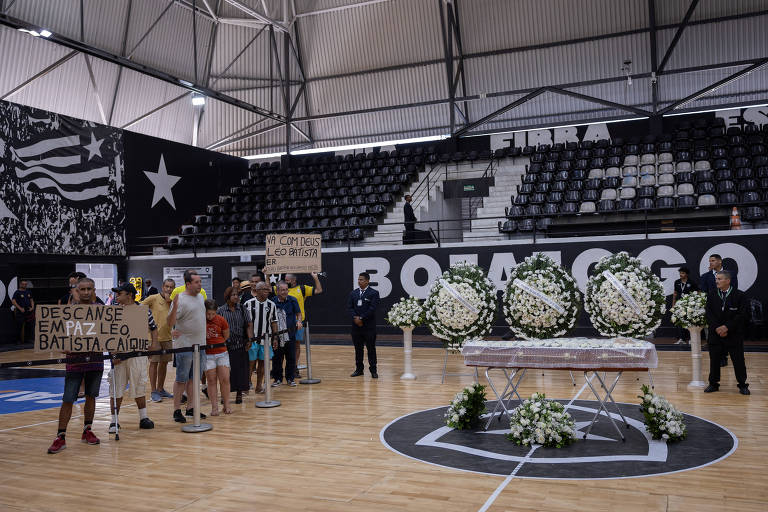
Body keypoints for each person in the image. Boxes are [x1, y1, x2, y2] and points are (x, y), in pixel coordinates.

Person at [47, 278, 103, 454]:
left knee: (91, 396)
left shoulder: (101, 311)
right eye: (83, 289)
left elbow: (110, 335)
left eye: (89, 289)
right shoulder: (67, 312)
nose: (86, 292)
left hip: (95, 360)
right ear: (77, 291)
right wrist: (63, 347)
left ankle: (87, 430)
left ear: (94, 290)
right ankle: (60, 436)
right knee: (68, 398)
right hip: (75, 361)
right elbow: (58, 338)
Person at [108, 283, 157, 432]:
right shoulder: (113, 311)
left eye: (120, 293)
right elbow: (107, 334)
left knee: (139, 385)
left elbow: (154, 328)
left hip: (138, 353)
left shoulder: (143, 311)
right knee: (116, 388)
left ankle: (143, 417)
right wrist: (112, 353)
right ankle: (114, 421)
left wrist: (154, 344)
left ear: (129, 295)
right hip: (119, 355)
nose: (117, 296)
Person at [167, 269, 208, 423]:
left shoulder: (200, 297)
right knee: (181, 379)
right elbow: (169, 322)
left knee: (194, 379)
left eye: (200, 282)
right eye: (197, 282)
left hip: (200, 346)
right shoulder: (180, 299)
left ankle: (191, 408)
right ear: (188, 284)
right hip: (184, 347)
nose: (200, 285)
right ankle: (176, 410)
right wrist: (174, 309)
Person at [704, 270, 750, 395]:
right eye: (716, 279)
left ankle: (742, 385)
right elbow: (708, 314)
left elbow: (742, 315)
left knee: (738, 360)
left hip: (734, 334)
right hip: (716, 333)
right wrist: (718, 328)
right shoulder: (712, 294)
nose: (716, 281)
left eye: (719, 279)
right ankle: (713, 384)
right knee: (714, 360)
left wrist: (727, 327)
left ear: (728, 281)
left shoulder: (740, 295)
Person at [700, 254, 738, 367]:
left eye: (713, 260)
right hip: (713, 309)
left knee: (725, 332)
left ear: (720, 261)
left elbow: (734, 290)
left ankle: (725, 356)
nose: (710, 263)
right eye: (709, 261)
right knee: (714, 332)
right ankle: (717, 357)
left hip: (727, 308)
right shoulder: (705, 276)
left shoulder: (731, 274)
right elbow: (704, 292)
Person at [217, 287, 253, 404]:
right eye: (233, 295)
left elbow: (248, 324)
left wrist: (250, 339)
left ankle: (239, 394)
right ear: (228, 296)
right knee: (226, 372)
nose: (236, 297)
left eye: (237, 295)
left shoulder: (242, 309)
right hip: (225, 347)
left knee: (241, 371)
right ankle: (224, 395)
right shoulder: (221, 311)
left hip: (241, 345)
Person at [142, 278, 175, 402]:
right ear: (162, 287)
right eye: (167, 286)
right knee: (154, 364)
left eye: (171, 287)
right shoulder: (153, 298)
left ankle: (161, 389)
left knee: (164, 364)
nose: (169, 289)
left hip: (167, 337)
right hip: (154, 338)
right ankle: (153, 391)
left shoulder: (173, 301)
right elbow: (139, 308)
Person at [283, 272, 323, 375]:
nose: (285, 282)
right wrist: (268, 276)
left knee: (296, 345)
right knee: (283, 345)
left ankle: (294, 367)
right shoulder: (281, 289)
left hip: (298, 322)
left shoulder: (302, 288)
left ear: (293, 280)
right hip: (283, 322)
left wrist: (315, 278)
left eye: (287, 280)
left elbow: (319, 290)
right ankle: (280, 367)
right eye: (285, 280)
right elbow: (269, 289)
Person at [244, 282, 278, 395]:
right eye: (264, 289)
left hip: (266, 340)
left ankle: (259, 386)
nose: (267, 291)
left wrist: (275, 338)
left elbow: (274, 323)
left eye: (268, 290)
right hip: (252, 340)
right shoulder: (248, 304)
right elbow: (244, 323)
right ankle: (246, 384)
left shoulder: (272, 305)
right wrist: (247, 338)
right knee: (250, 363)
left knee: (263, 364)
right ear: (257, 290)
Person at [347, 272, 380, 379]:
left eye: (361, 280)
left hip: (368, 327)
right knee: (358, 349)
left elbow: (372, 308)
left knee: (371, 349)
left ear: (367, 281)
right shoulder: (353, 293)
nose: (359, 281)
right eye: (358, 279)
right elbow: (350, 307)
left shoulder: (374, 293)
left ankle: (373, 370)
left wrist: (361, 318)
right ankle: (359, 369)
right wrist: (355, 318)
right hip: (356, 327)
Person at [204, 300, 232, 416]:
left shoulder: (221, 320)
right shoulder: (201, 321)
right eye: (208, 314)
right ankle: (214, 407)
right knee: (211, 380)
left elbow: (226, 335)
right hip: (208, 355)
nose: (210, 316)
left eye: (212, 314)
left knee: (225, 379)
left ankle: (227, 404)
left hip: (222, 353)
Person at [272, 281, 301, 387]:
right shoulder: (272, 302)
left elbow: (298, 314)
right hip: (277, 335)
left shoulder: (293, 300)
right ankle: (277, 379)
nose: (285, 292)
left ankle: (290, 378)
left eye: (286, 290)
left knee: (291, 357)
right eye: (282, 290)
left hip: (290, 334)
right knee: (277, 358)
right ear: (277, 291)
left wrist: (299, 321)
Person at [672, 267, 699, 345]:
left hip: (689, 305)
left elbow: (697, 292)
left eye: (683, 273)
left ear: (686, 274)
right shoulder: (677, 282)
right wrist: (673, 304)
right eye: (680, 273)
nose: (681, 274)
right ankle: (681, 339)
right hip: (679, 305)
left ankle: (691, 338)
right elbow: (675, 293)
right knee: (680, 322)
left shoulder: (692, 282)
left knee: (689, 322)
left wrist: (695, 304)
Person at [11, 278, 34, 344]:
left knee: (29, 326)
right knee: (19, 326)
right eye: (23, 284)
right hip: (20, 311)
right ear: (20, 284)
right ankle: (17, 340)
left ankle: (28, 339)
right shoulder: (17, 292)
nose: (24, 285)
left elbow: (31, 300)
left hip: (28, 311)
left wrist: (32, 307)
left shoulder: (28, 292)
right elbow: (13, 301)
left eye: (25, 284)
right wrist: (20, 308)